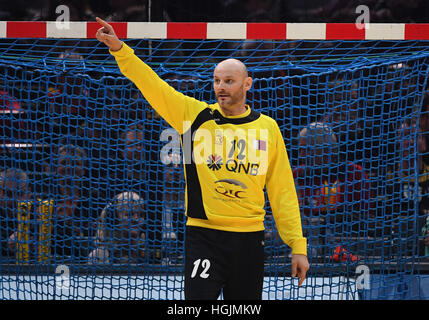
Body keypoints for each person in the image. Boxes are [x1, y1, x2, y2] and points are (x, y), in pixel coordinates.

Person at [95, 17, 309, 300]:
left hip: (250, 240)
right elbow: (152, 85)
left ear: (247, 84)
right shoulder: (193, 116)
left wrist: (298, 246)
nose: (221, 86)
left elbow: (283, 191)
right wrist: (121, 49)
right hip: (203, 238)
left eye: (229, 81)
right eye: (217, 80)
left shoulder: (268, 127)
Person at [293, 122, 372, 260]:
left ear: (325, 150)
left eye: (307, 150)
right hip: (305, 248)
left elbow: (366, 218)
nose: (301, 155)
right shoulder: (297, 176)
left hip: (347, 247)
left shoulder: (354, 175)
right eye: (300, 150)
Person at [88, 191, 145, 264]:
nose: (136, 219)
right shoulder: (99, 256)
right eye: (129, 214)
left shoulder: (145, 252)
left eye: (140, 215)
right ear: (114, 219)